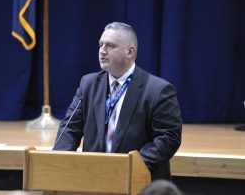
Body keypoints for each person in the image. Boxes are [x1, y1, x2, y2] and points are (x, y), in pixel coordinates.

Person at [53, 22, 182, 180]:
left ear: (130, 51)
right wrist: (59, 162)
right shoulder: (88, 84)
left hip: (138, 180)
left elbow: (168, 138)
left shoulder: (158, 90)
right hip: (93, 179)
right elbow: (69, 129)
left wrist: (129, 167)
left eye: (110, 46)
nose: (102, 51)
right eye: (101, 45)